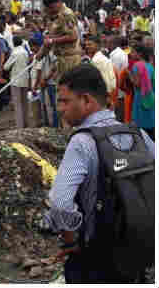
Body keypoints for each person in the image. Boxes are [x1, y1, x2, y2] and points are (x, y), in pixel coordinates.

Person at [41, 64, 154, 283]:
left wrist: (70, 240)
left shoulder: (82, 142)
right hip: (137, 252)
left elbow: (60, 203)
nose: (60, 109)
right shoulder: (138, 133)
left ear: (86, 101)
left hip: (96, 258)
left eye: (65, 101)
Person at [36, 0, 81, 99]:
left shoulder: (67, 14)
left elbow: (73, 36)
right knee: (61, 93)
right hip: (60, 59)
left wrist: (52, 41)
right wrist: (40, 54)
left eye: (51, 7)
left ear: (58, 2)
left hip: (70, 59)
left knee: (69, 94)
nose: (50, 11)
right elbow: (49, 37)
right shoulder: (53, 15)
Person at [4, 35, 33, 128]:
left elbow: (6, 67)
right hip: (25, 79)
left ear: (13, 43)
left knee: (18, 104)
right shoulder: (25, 52)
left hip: (16, 81)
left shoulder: (14, 53)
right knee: (25, 103)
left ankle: (19, 126)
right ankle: (26, 123)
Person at [129, 44, 154, 140]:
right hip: (150, 98)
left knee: (140, 129)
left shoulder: (137, 66)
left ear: (139, 54)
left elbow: (137, 84)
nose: (131, 54)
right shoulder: (150, 66)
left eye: (133, 52)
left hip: (140, 99)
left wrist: (129, 75)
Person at [84, 35, 116, 107]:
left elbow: (105, 80)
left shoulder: (97, 61)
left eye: (90, 44)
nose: (87, 46)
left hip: (102, 97)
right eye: (86, 45)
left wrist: (107, 98)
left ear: (97, 45)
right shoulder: (100, 58)